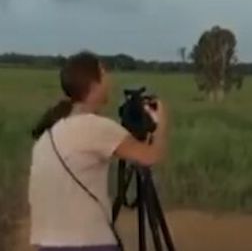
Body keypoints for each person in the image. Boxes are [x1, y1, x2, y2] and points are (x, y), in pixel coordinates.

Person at [27, 51, 170, 251]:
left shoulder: (49, 134)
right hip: (87, 242)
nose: (109, 80)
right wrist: (160, 123)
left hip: (47, 243)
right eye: (104, 74)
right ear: (94, 84)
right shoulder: (96, 127)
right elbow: (150, 156)